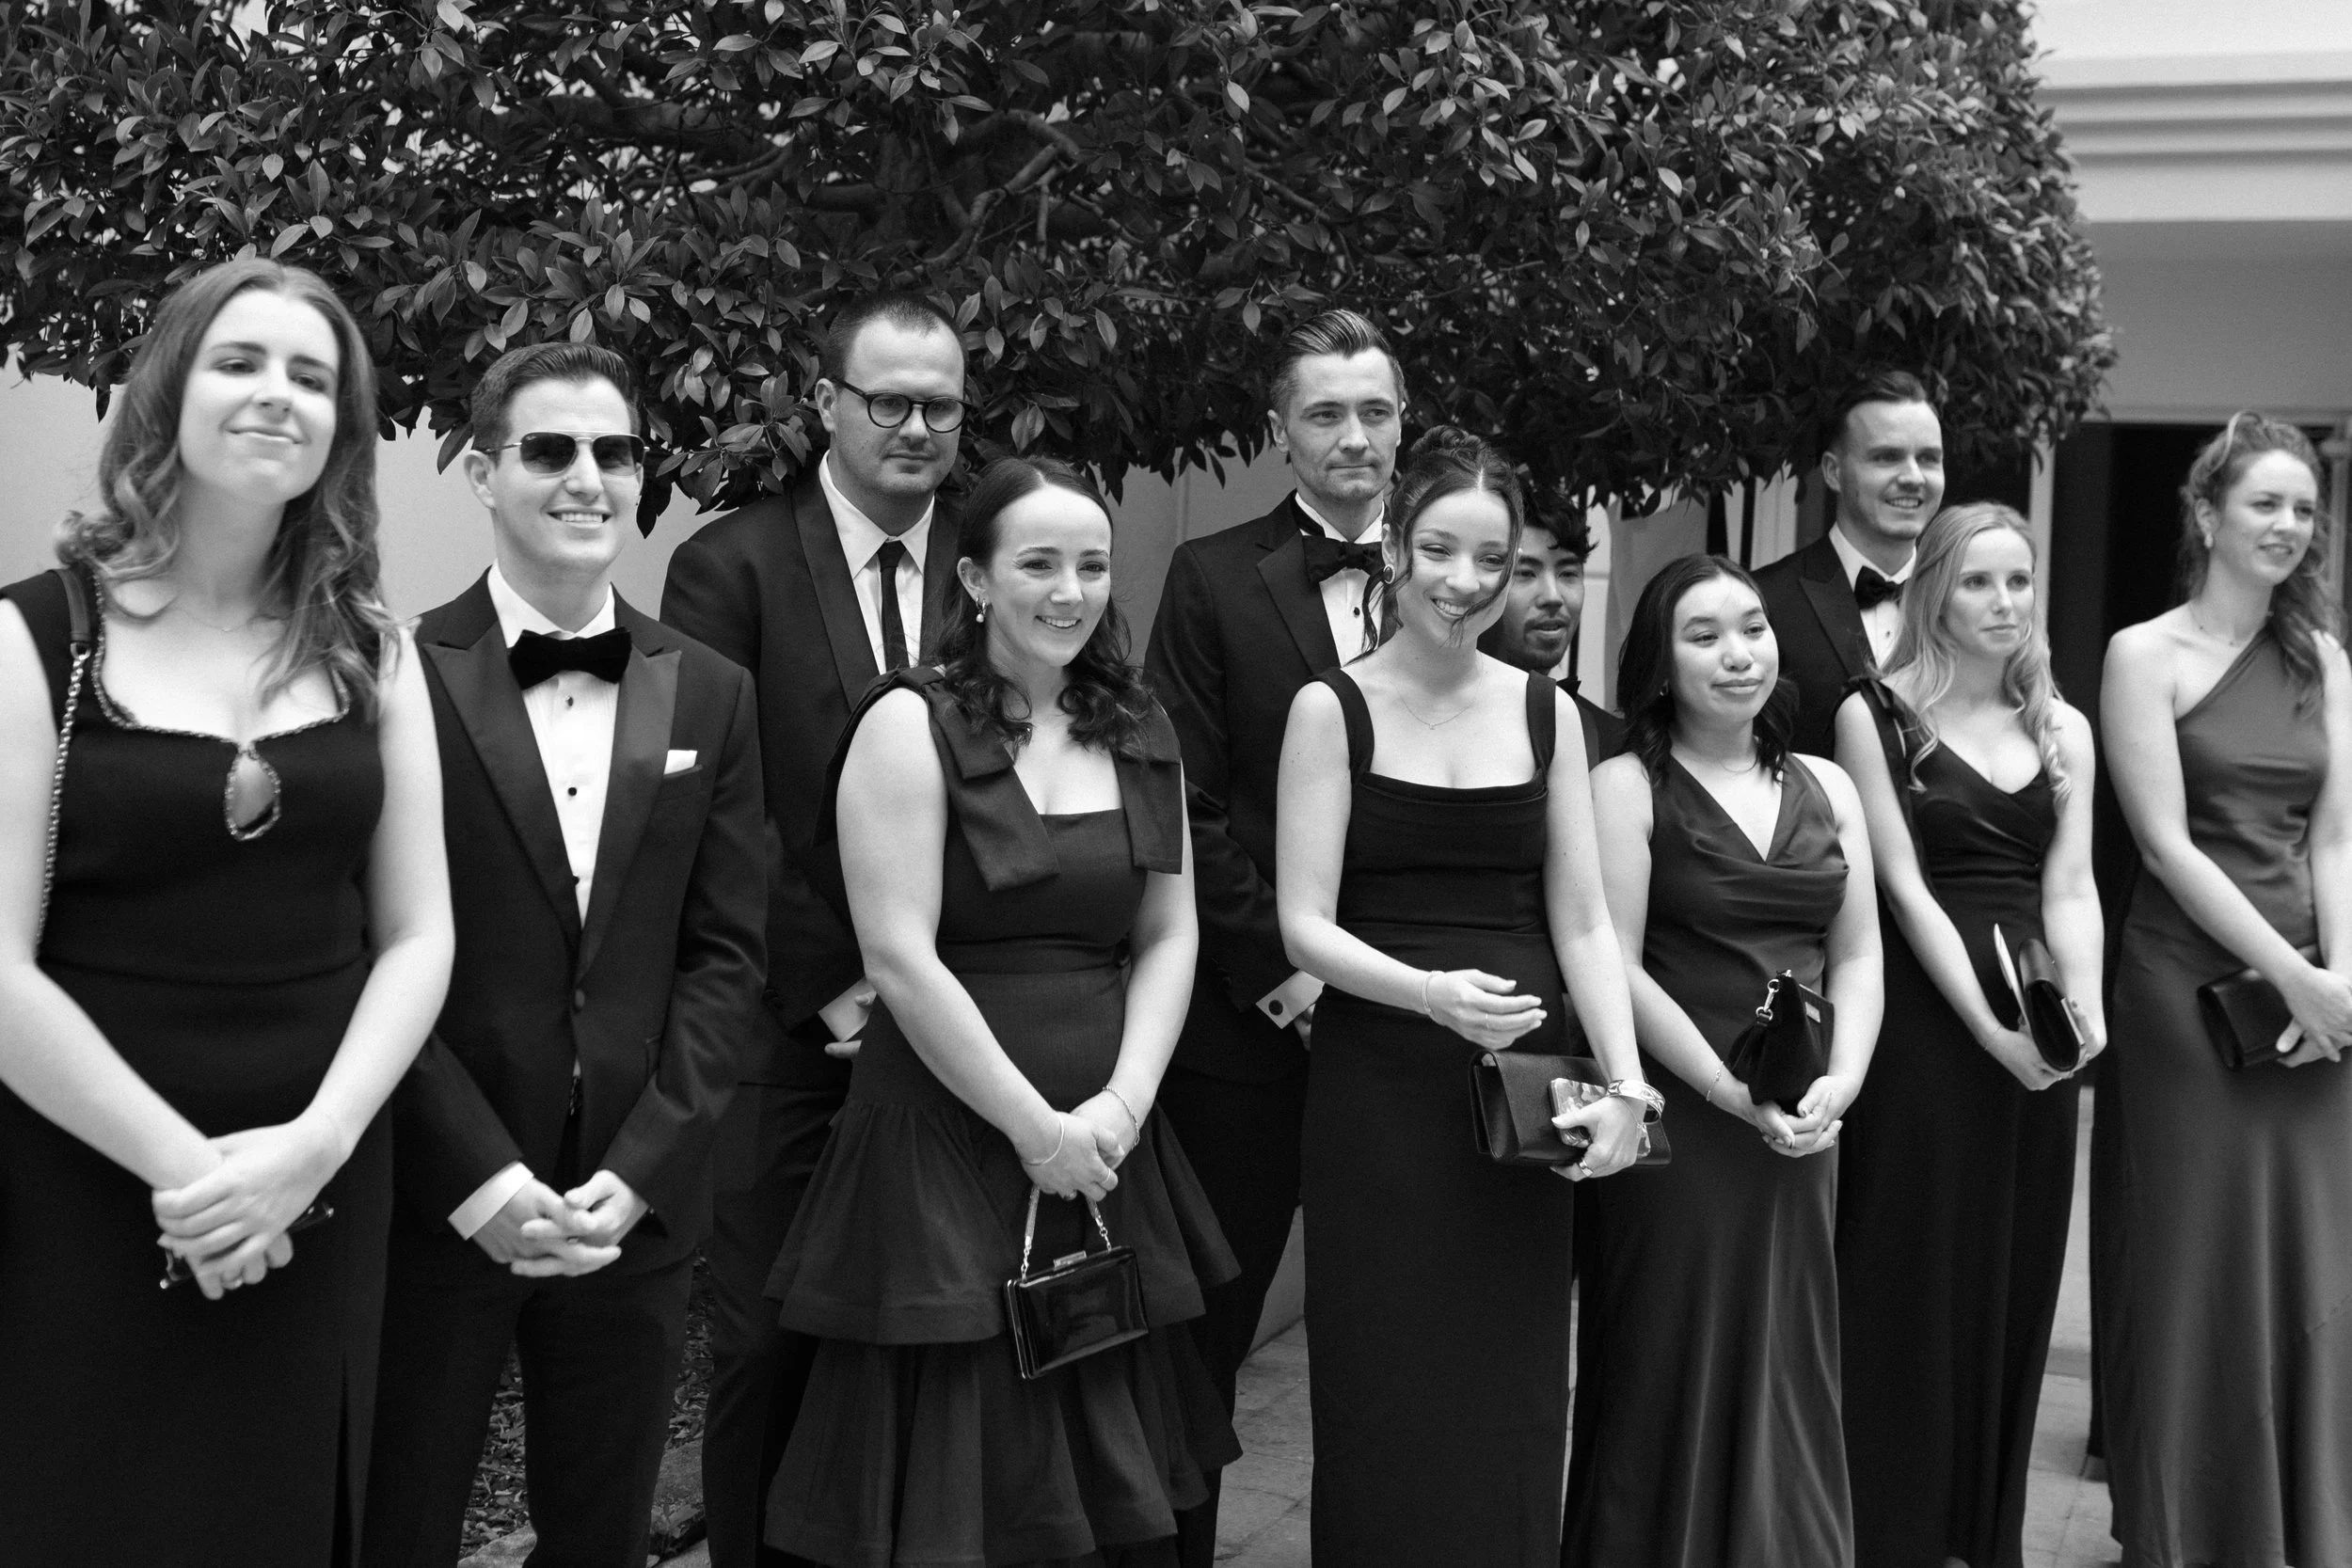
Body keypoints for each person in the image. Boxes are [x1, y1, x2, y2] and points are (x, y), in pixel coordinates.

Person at [0, 258, 453, 1564]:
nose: (277, 395)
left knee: (283, 1513)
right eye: (240, 362)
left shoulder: (372, 649)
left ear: (341, 428)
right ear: (169, 392)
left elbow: (418, 933)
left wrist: (310, 1151)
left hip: (318, 1172)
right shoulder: (36, 639)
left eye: (312, 377)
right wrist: (194, 1177)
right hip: (87, 1172)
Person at [761, 455, 1238, 1565]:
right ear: (975, 578)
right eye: (1038, 563)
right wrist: (1037, 1130)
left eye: (1092, 565)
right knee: (961, 1462)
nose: (1070, 590)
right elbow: (897, 953)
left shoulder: (1138, 722)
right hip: (941, 1140)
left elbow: (1169, 933)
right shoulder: (906, 723)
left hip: (1109, 1147)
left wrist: (1119, 1108)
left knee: (1101, 1463)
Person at [360, 344, 767, 1568]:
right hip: (441, 1192)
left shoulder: (712, 691)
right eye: (550, 449)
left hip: (630, 1211)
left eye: (615, 451)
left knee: (601, 1538)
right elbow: (369, 950)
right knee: (398, 1526)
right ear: (482, 472)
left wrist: (641, 1170)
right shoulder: (392, 675)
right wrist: (479, 1175)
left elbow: (727, 955)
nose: (589, 477)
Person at [1275, 427, 1649, 1565]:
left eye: (1494, 558)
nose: (1465, 580)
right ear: (1395, 543)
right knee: (1380, 1384)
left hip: (1523, 1097)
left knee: (1510, 1390)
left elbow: (1583, 921)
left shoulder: (1548, 712)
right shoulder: (1327, 707)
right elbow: (1303, 924)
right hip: (1377, 1092)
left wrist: (1628, 1086)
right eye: (1440, 548)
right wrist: (1427, 993)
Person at [660, 292, 966, 1568]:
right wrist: (842, 985)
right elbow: (715, 812)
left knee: (938, 1345)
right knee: (769, 1343)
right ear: (828, 403)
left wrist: (940, 989)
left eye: (939, 405)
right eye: (887, 400)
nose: (914, 427)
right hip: (788, 1033)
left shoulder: (1001, 557)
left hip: (969, 1026)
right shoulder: (727, 566)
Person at [1142, 307, 1404, 1561]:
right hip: (1246, 1033)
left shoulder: (1460, 567)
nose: (1354, 436)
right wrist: (1290, 978)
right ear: (1279, 433)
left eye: (1375, 411)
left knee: (1409, 1335)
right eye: (1326, 413)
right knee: (1202, 1336)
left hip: (1416, 1026)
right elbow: (1184, 799)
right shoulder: (1209, 576)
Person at [1564, 554, 1882, 1568]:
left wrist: (1843, 1081)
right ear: (1659, 664)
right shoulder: (1623, 785)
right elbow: (1612, 959)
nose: (1738, 653)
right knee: (1667, 1351)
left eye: (1752, 627)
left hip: (1802, 1122)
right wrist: (1725, 1091)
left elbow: (1859, 953)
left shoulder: (1830, 784)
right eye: (1703, 636)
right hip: (1680, 1118)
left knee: (1790, 1356)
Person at [2094, 413, 2352, 1567]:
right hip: (2187, 988)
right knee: (2195, 1256)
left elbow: (2334, 835)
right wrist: (2292, 977)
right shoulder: (2141, 654)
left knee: (2310, 1249)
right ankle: (2187, 1530)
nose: (2288, 525)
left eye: (2303, 508)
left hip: (2315, 1003)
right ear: (2206, 514)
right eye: (2265, 503)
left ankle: (2304, 1525)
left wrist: (2337, 980)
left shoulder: (2323, 659)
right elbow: (2163, 845)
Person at [1830, 502, 2104, 1568]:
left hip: (2037, 1018)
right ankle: (1887, 1529)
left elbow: (2070, 885)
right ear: (1934, 591)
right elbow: (1900, 888)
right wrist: (1988, 1032)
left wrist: (2078, 1014)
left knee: (2013, 1269)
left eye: (2019, 580)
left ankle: (1981, 1534)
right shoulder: (1874, 714)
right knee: (1907, 1264)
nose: (2003, 601)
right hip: (1922, 1022)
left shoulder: (2061, 724)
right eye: (1979, 581)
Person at [1754, 371, 1945, 757]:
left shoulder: (1968, 599)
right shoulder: (1764, 601)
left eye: (1928, 459)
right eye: (1887, 457)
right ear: (1833, 472)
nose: (1913, 477)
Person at [1478, 491, 1625, 762]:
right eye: (1525, 573)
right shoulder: (1431, 717)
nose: (1553, 597)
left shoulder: (1612, 740)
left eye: (1568, 573)